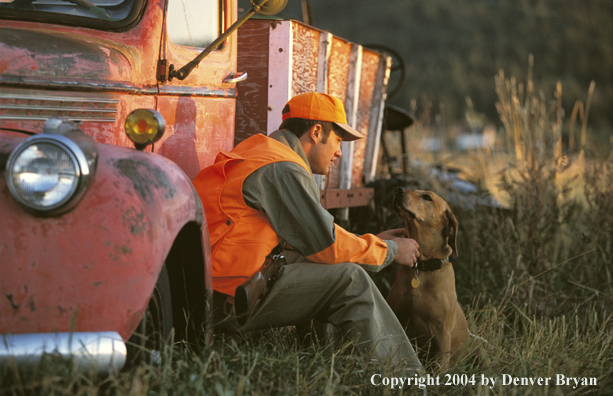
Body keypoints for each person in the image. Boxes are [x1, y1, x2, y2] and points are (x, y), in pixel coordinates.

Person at [192, 92, 423, 375]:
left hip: (210, 292)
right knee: (351, 280)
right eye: (337, 140)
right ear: (316, 132)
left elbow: (312, 241)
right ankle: (407, 379)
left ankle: (325, 368)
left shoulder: (261, 151)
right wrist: (392, 251)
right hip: (228, 303)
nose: (339, 152)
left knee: (327, 264)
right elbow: (327, 244)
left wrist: (373, 242)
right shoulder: (284, 169)